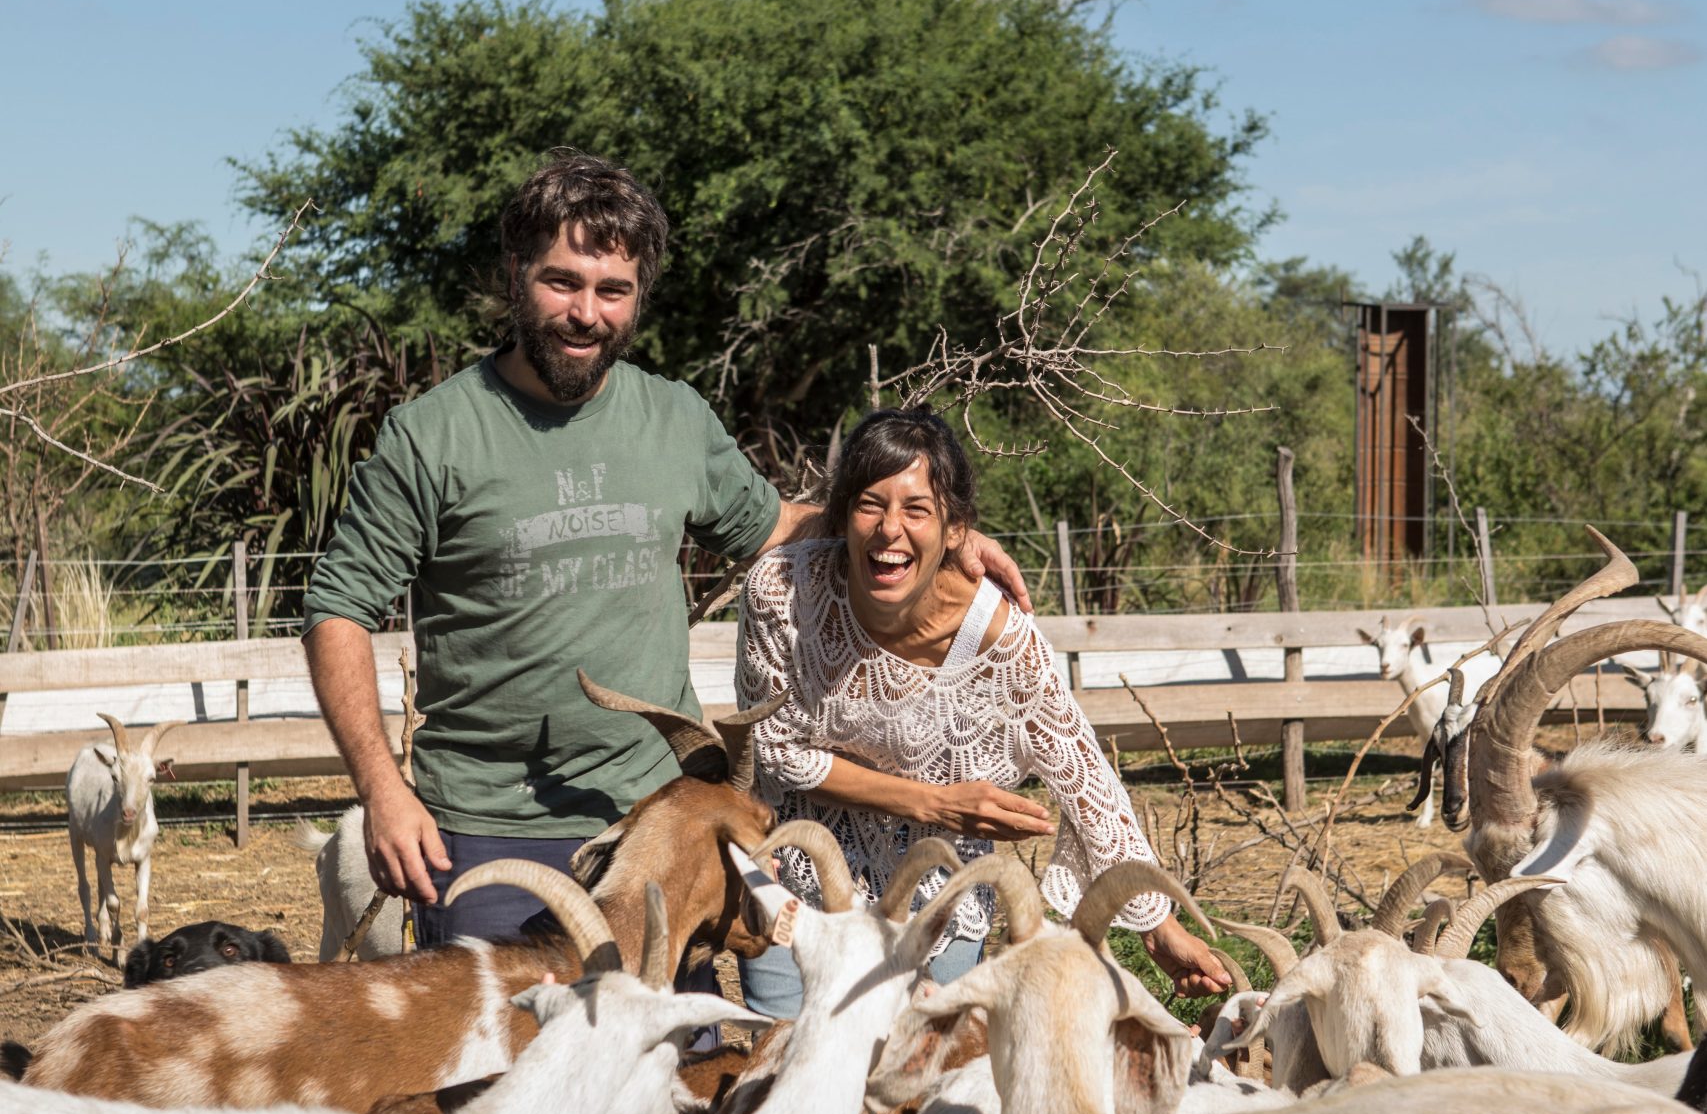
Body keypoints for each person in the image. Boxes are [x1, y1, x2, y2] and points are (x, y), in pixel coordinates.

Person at [302, 153, 1029, 945]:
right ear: (514, 274)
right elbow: (337, 608)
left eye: (612, 291)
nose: (587, 313)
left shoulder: (673, 418)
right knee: (509, 1061)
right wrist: (382, 790)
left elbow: (776, 524)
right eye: (562, 282)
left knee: (663, 1054)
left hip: (658, 810)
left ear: (638, 296)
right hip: (487, 821)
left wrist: (931, 535)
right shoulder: (433, 434)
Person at [734, 408, 1230, 1017]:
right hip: (796, 881)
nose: (890, 529)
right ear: (841, 516)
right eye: (869, 504)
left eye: (917, 510)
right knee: (785, 1075)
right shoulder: (782, 591)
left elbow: (1084, 779)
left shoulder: (1000, 642)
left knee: (912, 1094)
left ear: (954, 531)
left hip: (940, 899)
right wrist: (934, 802)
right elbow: (776, 750)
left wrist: (1156, 923)